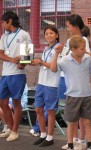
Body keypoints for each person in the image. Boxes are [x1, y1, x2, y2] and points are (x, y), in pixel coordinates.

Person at [53, 35, 91, 150]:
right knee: (72, 122)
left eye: (84, 48)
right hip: (72, 96)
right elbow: (53, 69)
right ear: (73, 49)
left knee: (87, 121)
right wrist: (56, 54)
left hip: (87, 95)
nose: (84, 50)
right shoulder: (64, 60)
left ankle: (90, 144)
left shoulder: (87, 58)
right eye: (82, 48)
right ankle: (70, 144)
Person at [61, 14, 91, 150]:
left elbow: (88, 55)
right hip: (69, 79)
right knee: (73, 115)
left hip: (80, 82)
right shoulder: (69, 41)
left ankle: (82, 141)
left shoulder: (83, 39)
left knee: (82, 116)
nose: (67, 29)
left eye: (68, 26)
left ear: (75, 26)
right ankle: (73, 140)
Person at [0, 11, 31, 141]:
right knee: (2, 101)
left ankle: (15, 131)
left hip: (18, 74)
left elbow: (29, 55)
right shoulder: (4, 37)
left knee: (16, 102)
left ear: (10, 21)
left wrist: (22, 64)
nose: (2, 24)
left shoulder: (24, 34)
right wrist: (12, 60)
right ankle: (10, 127)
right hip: (5, 73)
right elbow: (0, 54)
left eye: (3, 22)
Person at [31, 25, 63, 147]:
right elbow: (45, 65)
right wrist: (37, 63)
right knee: (38, 109)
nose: (48, 35)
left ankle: (50, 137)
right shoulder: (46, 48)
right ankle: (43, 134)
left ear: (56, 35)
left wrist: (41, 62)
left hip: (52, 84)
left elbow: (54, 68)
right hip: (41, 82)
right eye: (46, 34)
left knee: (50, 111)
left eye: (51, 33)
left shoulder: (59, 49)